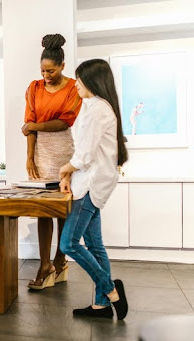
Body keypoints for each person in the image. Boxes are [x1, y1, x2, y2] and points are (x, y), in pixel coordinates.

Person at [59, 59, 129, 320]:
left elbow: (84, 155)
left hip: (90, 184)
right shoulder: (94, 107)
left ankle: (111, 291)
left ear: (92, 81)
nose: (75, 84)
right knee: (94, 245)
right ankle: (100, 306)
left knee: (68, 244)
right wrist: (70, 173)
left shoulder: (99, 109)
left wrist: (65, 170)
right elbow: (84, 150)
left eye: (79, 79)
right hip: (90, 182)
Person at [21, 34, 82, 290]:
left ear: (63, 66)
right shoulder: (34, 88)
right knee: (41, 209)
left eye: (51, 70)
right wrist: (29, 156)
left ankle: (60, 260)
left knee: (61, 210)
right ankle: (45, 264)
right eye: (43, 70)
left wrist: (33, 125)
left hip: (63, 151)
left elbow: (65, 122)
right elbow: (29, 126)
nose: (46, 75)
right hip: (41, 153)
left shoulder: (72, 88)